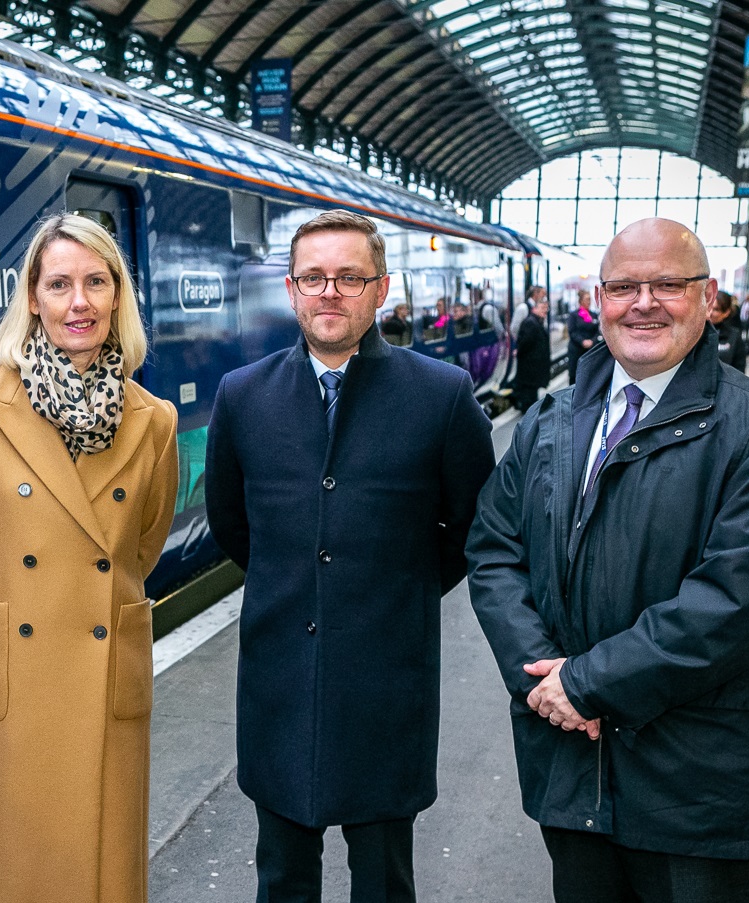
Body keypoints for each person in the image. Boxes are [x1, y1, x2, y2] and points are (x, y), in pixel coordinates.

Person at [465, 218, 749, 903]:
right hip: (572, 769)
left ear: (708, 297)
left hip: (694, 790)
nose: (643, 302)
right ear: (597, 298)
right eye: (624, 285)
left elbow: (735, 602)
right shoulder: (551, 421)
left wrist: (584, 685)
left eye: (667, 284)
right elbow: (492, 551)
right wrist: (545, 681)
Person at [204, 210, 494, 903]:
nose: (329, 292)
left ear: (380, 288)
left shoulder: (442, 395)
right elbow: (232, 525)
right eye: (313, 277)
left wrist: (398, 589)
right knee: (281, 878)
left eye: (348, 277)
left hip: (386, 680)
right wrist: (300, 582)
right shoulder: (242, 396)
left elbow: (474, 527)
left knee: (384, 880)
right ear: (291, 288)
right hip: (279, 680)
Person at [0, 214, 179, 903]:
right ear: (32, 297)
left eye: (96, 282)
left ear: (118, 296)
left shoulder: (152, 420)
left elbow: (141, 544)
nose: (79, 302)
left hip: (100, 681)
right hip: (10, 686)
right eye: (59, 283)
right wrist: (2, 606)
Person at [511, 293, 551, 411]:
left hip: (533, 368)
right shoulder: (531, 323)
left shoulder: (535, 321)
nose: (545, 311)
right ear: (534, 309)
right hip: (529, 367)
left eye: (546, 308)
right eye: (542, 308)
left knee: (532, 394)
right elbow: (524, 343)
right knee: (529, 396)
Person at [565, 289, 599, 383]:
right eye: (587, 299)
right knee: (575, 376)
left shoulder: (593, 315)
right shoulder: (574, 315)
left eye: (590, 299)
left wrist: (593, 341)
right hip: (576, 349)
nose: (589, 302)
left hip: (590, 350)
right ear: (581, 301)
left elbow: (598, 331)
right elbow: (572, 331)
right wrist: (582, 341)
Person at [708, 290, 745, 369]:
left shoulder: (734, 336)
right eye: (709, 307)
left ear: (726, 312)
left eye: (716, 309)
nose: (710, 313)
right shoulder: (696, 333)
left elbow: (739, 369)